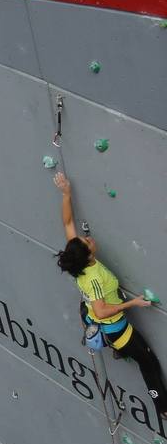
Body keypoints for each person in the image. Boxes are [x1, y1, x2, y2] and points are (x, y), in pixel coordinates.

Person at [54, 173, 165, 421]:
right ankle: (163, 407)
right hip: (115, 327)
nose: (90, 238)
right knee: (148, 362)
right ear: (89, 256)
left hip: (94, 315)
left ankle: (119, 349)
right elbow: (103, 311)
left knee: (130, 348)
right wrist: (133, 303)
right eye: (88, 241)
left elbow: (68, 222)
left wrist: (66, 194)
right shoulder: (93, 278)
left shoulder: (80, 260)